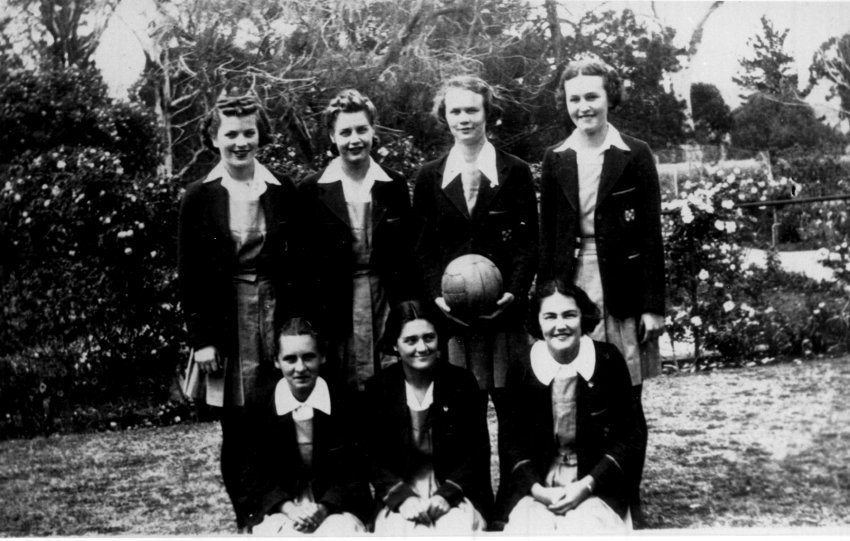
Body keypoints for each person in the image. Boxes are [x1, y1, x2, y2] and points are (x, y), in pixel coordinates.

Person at [537, 57, 665, 523]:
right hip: (572, 289)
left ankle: (625, 495)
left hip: (622, 290)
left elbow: (651, 234)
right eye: (574, 98)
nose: (584, 106)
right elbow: (548, 235)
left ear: (610, 96)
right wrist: (547, 300)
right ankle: (585, 485)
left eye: (592, 96)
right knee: (580, 389)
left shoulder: (635, 153)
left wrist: (653, 306)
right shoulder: (556, 159)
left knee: (626, 397)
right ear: (565, 103)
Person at [411, 75, 538, 522]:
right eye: (455, 111)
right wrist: (435, 296)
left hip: (502, 315)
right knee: (463, 415)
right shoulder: (428, 177)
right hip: (455, 321)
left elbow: (527, 245)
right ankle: (474, 498)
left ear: (488, 113)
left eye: (472, 110)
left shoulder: (515, 171)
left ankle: (513, 498)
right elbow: (423, 248)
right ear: (443, 117)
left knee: (511, 410)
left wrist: (513, 292)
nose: (464, 118)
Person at [177, 89, 304, 530]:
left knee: (284, 412)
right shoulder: (199, 195)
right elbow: (189, 273)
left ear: (259, 135)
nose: (240, 142)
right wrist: (203, 340)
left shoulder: (282, 189)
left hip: (276, 315)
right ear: (214, 138)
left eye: (248, 132)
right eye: (230, 134)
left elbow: (297, 265)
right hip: (228, 320)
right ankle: (250, 515)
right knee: (239, 427)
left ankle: (284, 510)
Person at [500, 279, 646, 534]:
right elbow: (511, 441)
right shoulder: (522, 366)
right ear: (538, 321)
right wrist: (538, 490)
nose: (560, 325)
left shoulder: (608, 360)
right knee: (529, 531)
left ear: (583, 317)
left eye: (569, 315)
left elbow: (630, 436)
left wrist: (588, 485)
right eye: (550, 317)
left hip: (595, 482)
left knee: (584, 529)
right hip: (539, 485)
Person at [299, 89, 418, 392]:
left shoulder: (394, 185)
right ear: (332, 136)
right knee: (342, 389)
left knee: (387, 388)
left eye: (362, 129)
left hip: (383, 303)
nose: (355, 139)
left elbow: (407, 257)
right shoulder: (312, 190)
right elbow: (304, 263)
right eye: (345, 132)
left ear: (373, 130)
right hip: (336, 308)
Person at [363, 300, 492, 534]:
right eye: (410, 341)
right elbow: (373, 458)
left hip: (452, 491)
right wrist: (403, 499)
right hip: (400, 494)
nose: (422, 348)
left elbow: (476, 452)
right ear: (394, 345)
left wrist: (446, 495)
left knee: (455, 528)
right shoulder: (379, 388)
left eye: (428, 338)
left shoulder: (461, 383)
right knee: (397, 530)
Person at [237, 318, 372, 535]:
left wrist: (323, 508)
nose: (300, 368)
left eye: (308, 357)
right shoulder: (260, 403)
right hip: (281, 505)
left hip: (335, 505)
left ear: (323, 357)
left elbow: (354, 469)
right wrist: (289, 509)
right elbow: (253, 472)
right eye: (290, 359)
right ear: (276, 361)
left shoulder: (344, 400)